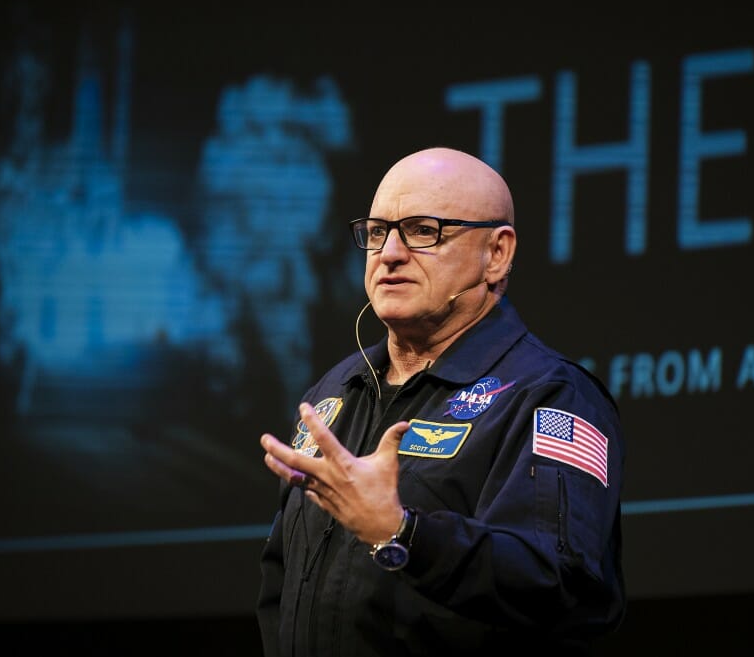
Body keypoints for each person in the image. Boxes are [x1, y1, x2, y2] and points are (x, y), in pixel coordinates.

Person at [257, 146, 625, 656]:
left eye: (424, 231)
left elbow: (562, 582)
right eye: (378, 232)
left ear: (496, 253)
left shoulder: (550, 395)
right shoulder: (333, 393)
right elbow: (280, 584)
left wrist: (402, 533)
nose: (389, 253)